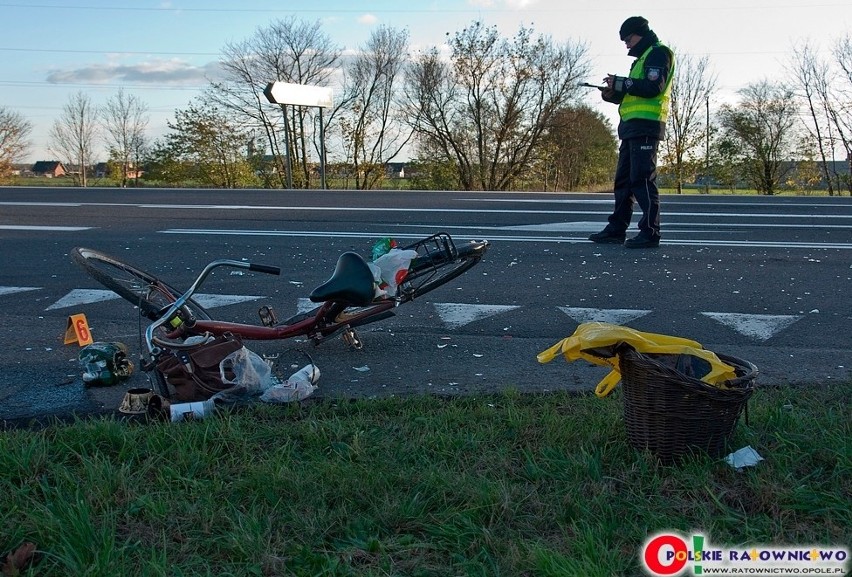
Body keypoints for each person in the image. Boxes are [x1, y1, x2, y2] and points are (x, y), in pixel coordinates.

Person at [589, 16, 675, 249]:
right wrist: (612, 93)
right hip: (631, 127)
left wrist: (621, 83)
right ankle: (617, 229)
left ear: (641, 34)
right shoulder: (641, 59)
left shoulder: (658, 53)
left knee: (643, 181)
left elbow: (652, 87)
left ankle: (650, 232)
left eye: (628, 39)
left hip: (647, 126)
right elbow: (634, 92)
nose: (626, 44)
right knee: (624, 182)